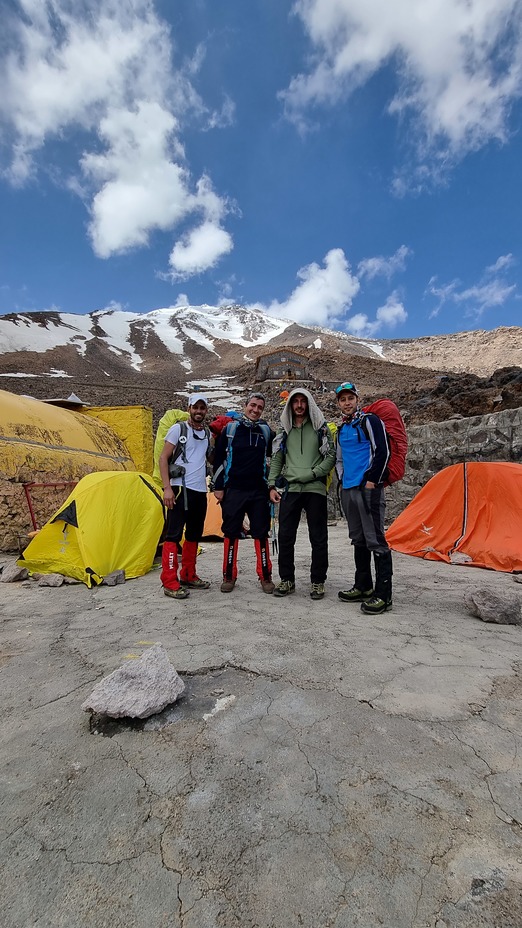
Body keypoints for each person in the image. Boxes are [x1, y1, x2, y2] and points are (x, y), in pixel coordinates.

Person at [268, 388, 336, 600]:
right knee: (286, 536)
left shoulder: (320, 428)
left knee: (318, 537)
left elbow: (331, 456)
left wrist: (314, 473)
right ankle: (287, 579)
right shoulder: (285, 430)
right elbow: (278, 457)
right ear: (290, 405)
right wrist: (271, 484)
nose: (299, 405)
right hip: (291, 488)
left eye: (302, 401)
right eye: (295, 402)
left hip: (314, 488)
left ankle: (318, 581)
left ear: (309, 404)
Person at [335, 381, 393, 614]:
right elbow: (339, 458)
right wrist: (342, 479)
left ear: (358, 399)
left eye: (350, 398)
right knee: (358, 538)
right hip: (349, 488)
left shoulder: (370, 421)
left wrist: (372, 480)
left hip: (368, 488)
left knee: (375, 538)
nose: (347, 403)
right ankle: (363, 585)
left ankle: (383, 595)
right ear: (338, 403)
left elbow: (383, 450)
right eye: (342, 399)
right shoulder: (343, 428)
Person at [212, 392, 274, 594]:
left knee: (261, 533)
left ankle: (265, 576)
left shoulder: (265, 432)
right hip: (234, 490)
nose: (255, 410)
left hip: (258, 490)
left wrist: (273, 486)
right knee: (230, 532)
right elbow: (218, 460)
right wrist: (218, 487)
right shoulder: (231, 430)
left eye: (259, 407)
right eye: (253, 405)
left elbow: (275, 458)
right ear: (245, 405)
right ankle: (229, 576)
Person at [158, 393, 211, 600]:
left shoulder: (206, 433)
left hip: (199, 490)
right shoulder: (178, 429)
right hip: (179, 489)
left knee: (194, 533)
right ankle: (169, 581)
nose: (199, 411)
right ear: (188, 408)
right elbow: (163, 458)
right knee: (173, 534)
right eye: (195, 407)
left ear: (206, 410)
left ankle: (188, 574)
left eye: (202, 408)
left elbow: (208, 457)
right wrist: (167, 488)